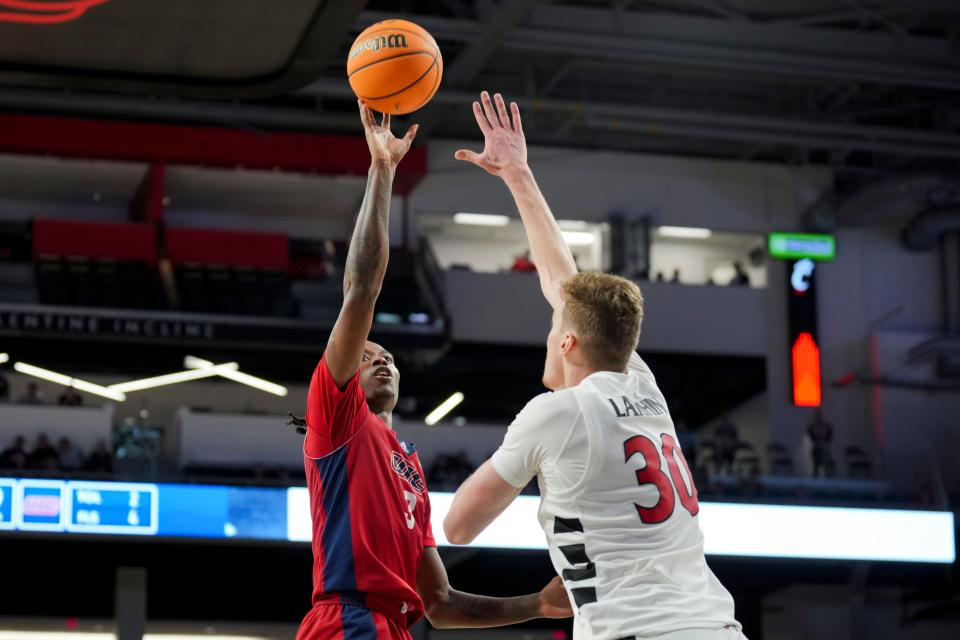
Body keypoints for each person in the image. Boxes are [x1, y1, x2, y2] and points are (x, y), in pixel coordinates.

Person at [445, 92, 743, 640]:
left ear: (568, 342)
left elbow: (458, 526)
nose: (549, 327)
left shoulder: (557, 412)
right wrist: (518, 174)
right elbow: (564, 285)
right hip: (715, 626)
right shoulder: (642, 382)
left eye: (555, 325)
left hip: (640, 631)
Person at [294, 99, 571, 640]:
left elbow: (440, 604)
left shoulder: (411, 470)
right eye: (368, 355)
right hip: (345, 620)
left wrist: (536, 604)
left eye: (388, 356)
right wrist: (382, 171)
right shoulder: (337, 417)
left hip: (392, 628)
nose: (383, 359)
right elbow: (362, 288)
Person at [807, 409, 834, 478]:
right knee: (816, 465)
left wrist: (824, 442)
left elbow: (829, 436)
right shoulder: (813, 426)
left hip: (824, 447)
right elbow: (811, 436)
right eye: (817, 416)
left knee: (826, 465)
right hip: (816, 447)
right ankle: (816, 479)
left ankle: (827, 478)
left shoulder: (826, 426)